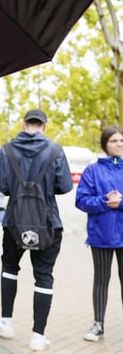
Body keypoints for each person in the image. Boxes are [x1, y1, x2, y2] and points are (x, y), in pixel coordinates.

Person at [0, 109, 73, 351]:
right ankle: (37, 336)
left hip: (14, 221)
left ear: (24, 125)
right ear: (44, 126)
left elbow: (1, 185)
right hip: (48, 223)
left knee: (10, 267)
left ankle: (6, 323)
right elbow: (65, 186)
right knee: (44, 275)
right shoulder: (55, 150)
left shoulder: (6, 150)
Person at [75, 125, 123, 342]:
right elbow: (81, 200)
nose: (119, 144)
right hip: (101, 235)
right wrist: (105, 201)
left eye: (121, 140)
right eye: (114, 141)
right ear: (105, 145)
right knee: (101, 280)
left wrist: (120, 202)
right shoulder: (92, 171)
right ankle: (98, 324)